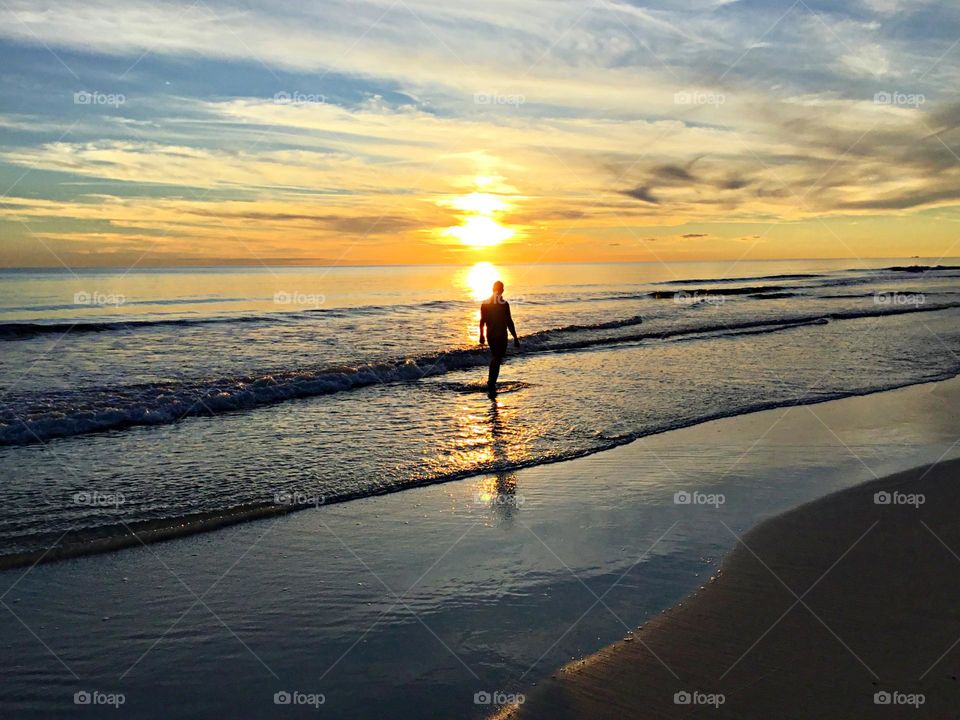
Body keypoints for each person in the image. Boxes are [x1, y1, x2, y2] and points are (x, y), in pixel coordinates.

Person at [478, 280, 520, 397]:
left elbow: (482, 321)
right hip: (500, 335)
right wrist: (515, 337)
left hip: (490, 335)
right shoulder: (503, 304)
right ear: (502, 290)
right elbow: (509, 322)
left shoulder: (486, 303)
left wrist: (481, 335)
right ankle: (491, 383)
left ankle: (491, 382)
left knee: (496, 357)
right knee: (497, 357)